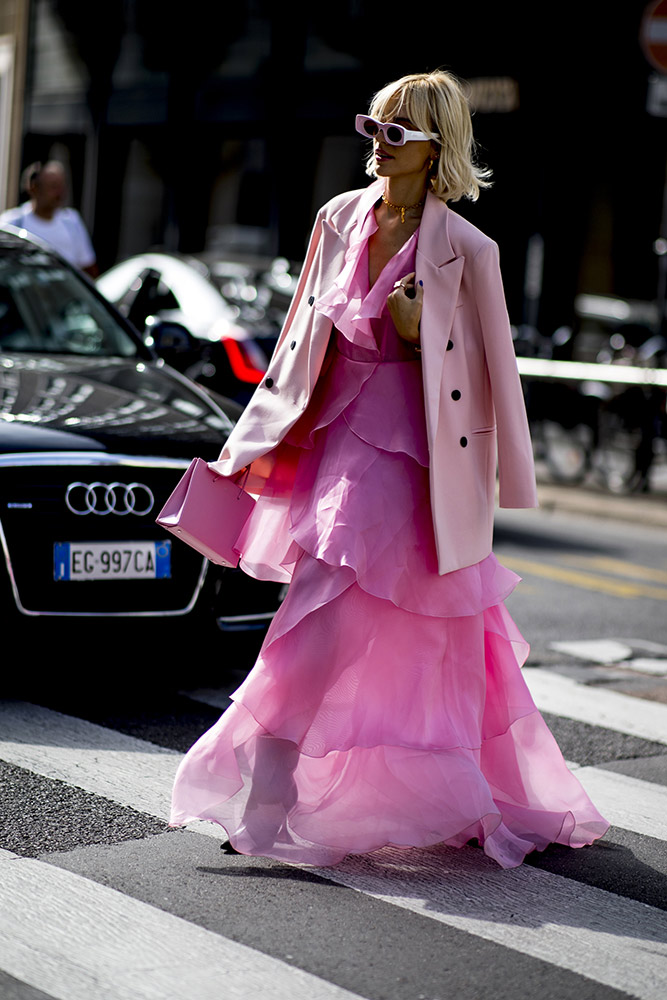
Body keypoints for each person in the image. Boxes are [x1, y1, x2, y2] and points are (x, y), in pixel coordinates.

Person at [171, 70, 609, 869]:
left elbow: (490, 376)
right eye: (371, 126)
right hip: (337, 445)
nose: (377, 144)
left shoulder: (469, 250)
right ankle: (270, 792)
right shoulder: (336, 218)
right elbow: (297, 348)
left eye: (396, 133)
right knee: (316, 611)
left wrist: (415, 332)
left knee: (447, 636)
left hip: (421, 463)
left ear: (434, 147)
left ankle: (480, 790)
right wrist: (251, 443)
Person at [0, 161, 98, 277]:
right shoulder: (12, 223)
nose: (60, 193)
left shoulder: (72, 221)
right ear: (33, 188)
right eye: (53, 186)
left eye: (62, 186)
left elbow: (88, 268)